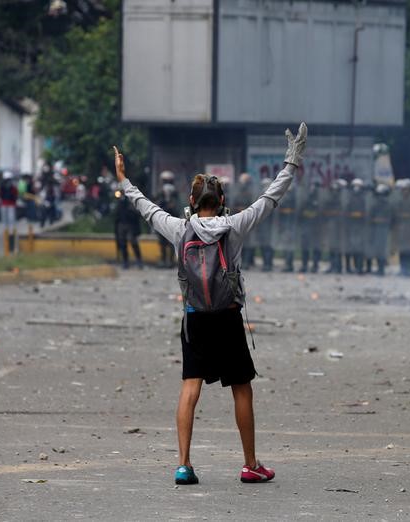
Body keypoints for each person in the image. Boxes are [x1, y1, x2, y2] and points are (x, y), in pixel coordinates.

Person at [113, 122, 306, 486]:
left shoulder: (177, 229)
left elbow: (145, 207)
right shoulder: (235, 226)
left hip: (195, 318)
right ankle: (250, 464)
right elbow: (270, 198)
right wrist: (291, 162)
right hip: (228, 317)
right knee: (241, 387)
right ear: (221, 202)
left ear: (191, 202)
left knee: (191, 386)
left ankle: (184, 465)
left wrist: (124, 179)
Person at [155, 171, 181, 268]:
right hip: (162, 220)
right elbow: (156, 203)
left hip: (172, 220)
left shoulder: (175, 194)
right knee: (162, 242)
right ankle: (163, 260)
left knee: (171, 241)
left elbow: (178, 206)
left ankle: (170, 261)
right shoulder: (160, 193)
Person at [392, 179, 410, 277]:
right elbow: (396, 215)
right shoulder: (399, 202)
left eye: (406, 189)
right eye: (403, 190)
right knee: (402, 249)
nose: (404, 191)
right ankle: (403, 268)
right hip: (401, 228)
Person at [114, 190, 144, 269]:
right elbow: (117, 213)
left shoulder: (131, 200)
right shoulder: (119, 201)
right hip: (122, 224)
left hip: (131, 224)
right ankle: (125, 262)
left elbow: (137, 213)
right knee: (123, 243)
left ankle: (139, 261)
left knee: (133, 242)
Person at [368, 183, 392, 275]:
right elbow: (370, 217)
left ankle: (381, 269)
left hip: (384, 229)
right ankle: (378, 268)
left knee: (382, 249)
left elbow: (391, 218)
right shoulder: (374, 206)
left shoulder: (388, 205)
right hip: (375, 228)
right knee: (376, 249)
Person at [0, 171, 19, 252]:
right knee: (8, 221)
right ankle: (7, 234)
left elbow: (15, 194)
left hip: (8, 204)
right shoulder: (5, 186)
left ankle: (9, 234)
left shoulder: (6, 186)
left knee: (9, 221)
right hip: (7, 204)